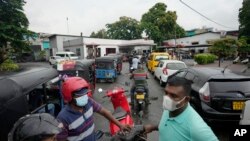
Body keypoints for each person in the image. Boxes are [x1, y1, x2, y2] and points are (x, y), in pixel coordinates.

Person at [143, 76, 218, 141]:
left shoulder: (196, 127)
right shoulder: (170, 108)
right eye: (166, 93)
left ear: (186, 100)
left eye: (173, 96)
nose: (167, 98)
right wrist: (153, 127)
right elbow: (170, 125)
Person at [56, 77, 131, 141]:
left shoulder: (89, 102)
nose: (84, 97)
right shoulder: (63, 118)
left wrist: (120, 125)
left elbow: (104, 112)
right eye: (80, 95)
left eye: (85, 94)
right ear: (69, 97)